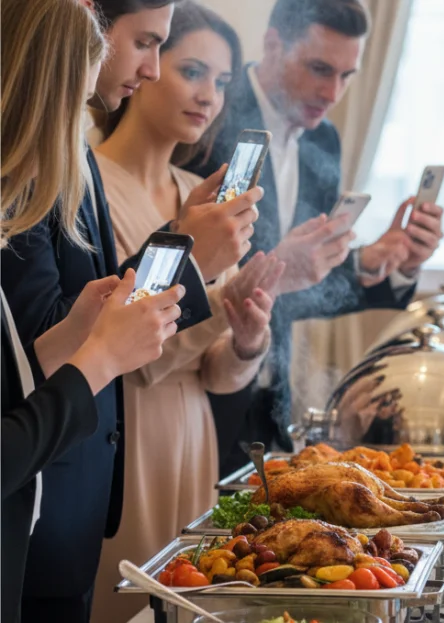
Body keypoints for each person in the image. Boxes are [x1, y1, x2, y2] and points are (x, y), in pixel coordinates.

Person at [0, 0, 259, 619]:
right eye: (146, 43)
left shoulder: (73, 151)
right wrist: (187, 258)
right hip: (38, 482)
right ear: (92, 29)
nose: (150, 68)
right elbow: (36, 348)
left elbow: (51, 334)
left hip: (77, 483)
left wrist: (181, 249)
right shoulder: (38, 161)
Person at [88, 4, 294, 620]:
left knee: (201, 594)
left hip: (195, 430)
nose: (210, 96)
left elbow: (215, 373)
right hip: (127, 429)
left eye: (222, 81)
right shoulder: (91, 186)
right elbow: (129, 353)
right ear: (146, 65)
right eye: (193, 71)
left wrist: (246, 339)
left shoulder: (194, 193)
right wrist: (213, 290)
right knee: (129, 599)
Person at [188, 0, 444, 475]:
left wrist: (384, 263)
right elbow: (187, 277)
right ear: (273, 44)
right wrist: (281, 266)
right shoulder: (206, 118)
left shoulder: (324, 138)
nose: (333, 92)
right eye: (320, 69)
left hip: (269, 400)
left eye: (347, 76)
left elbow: (305, 291)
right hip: (195, 393)